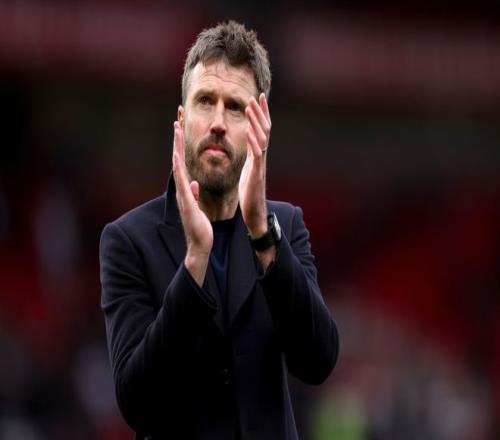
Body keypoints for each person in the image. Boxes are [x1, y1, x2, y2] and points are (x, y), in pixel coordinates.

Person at [99, 21, 339, 440]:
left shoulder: (284, 227)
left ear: (258, 126)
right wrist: (194, 261)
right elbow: (137, 402)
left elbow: (318, 361)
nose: (218, 122)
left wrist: (262, 235)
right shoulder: (127, 240)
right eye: (205, 101)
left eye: (235, 107)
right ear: (181, 119)